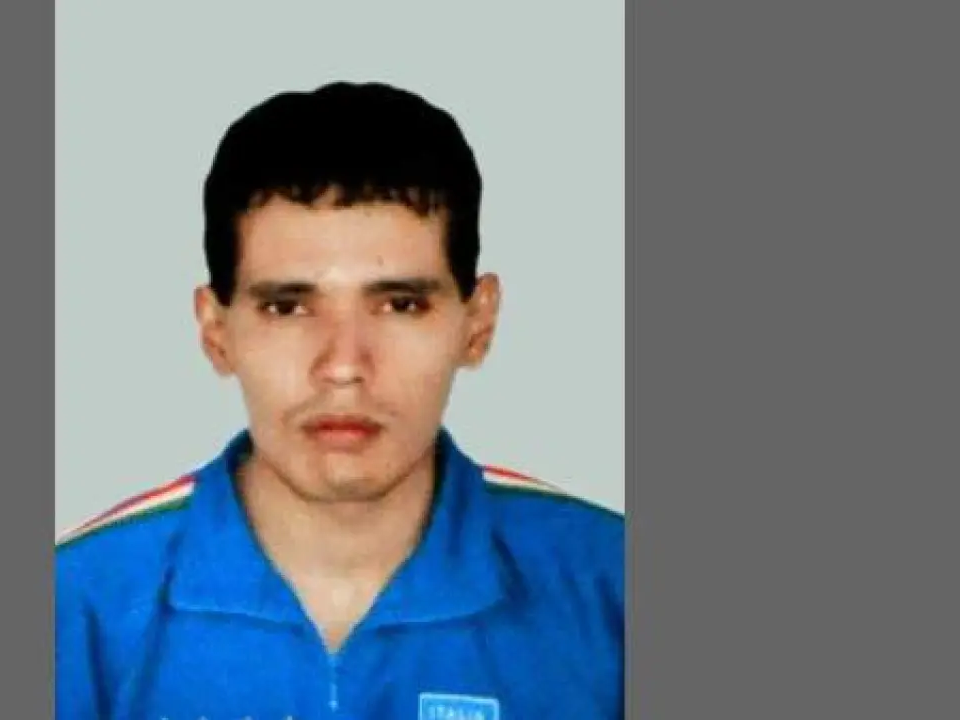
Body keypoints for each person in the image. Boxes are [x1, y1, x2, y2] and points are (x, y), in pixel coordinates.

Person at [55, 81, 624, 720]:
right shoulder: (73, 605)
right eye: (287, 307)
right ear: (216, 332)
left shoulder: (614, 588)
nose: (344, 366)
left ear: (478, 323)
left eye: (401, 304)